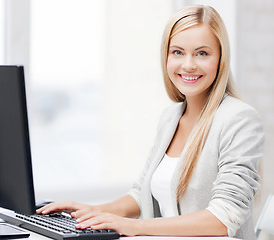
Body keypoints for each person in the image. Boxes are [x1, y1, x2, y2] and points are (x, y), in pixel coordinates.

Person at [37, 5, 264, 239]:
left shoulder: (239, 119)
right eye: (177, 52)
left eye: (202, 53)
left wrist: (134, 226)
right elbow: (141, 193)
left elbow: (223, 219)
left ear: (221, 59)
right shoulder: (171, 117)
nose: (188, 64)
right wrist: (93, 211)